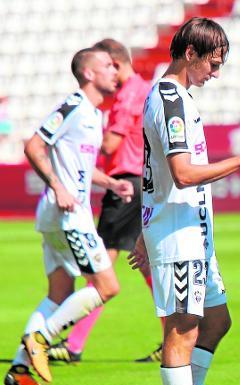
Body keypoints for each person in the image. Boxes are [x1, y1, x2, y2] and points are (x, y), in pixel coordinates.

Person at [127, 17, 240, 385]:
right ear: (190, 53)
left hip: (191, 233)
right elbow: (183, 173)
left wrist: (145, 230)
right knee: (182, 331)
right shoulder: (169, 101)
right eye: (213, 63)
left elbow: (154, 171)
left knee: (217, 321)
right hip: (179, 235)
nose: (216, 73)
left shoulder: (177, 99)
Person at [3, 47, 133, 385]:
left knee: (58, 293)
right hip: (69, 212)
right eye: (107, 65)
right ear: (89, 74)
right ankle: (42, 339)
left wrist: (111, 183)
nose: (114, 70)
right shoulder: (75, 105)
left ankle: (19, 371)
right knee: (107, 286)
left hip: (59, 212)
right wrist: (59, 186)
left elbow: (80, 168)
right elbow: (33, 145)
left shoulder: (93, 113)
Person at [45, 38, 161, 364]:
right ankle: (175, 334)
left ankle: (72, 344)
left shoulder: (129, 94)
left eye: (109, 65)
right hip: (134, 182)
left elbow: (110, 145)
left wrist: (77, 141)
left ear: (115, 62)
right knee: (140, 265)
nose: (108, 72)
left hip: (126, 183)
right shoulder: (140, 90)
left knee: (99, 270)